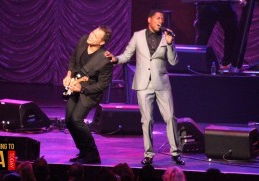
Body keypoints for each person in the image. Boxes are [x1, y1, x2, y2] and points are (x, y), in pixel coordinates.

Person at [106, 10, 185, 165]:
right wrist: (115, 59)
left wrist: (170, 44)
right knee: (147, 120)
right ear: (149, 19)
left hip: (162, 83)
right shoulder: (138, 36)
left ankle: (175, 153)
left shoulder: (166, 37)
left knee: (170, 117)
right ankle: (148, 154)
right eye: (157, 18)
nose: (160, 20)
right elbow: (127, 55)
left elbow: (174, 62)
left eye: (162, 18)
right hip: (143, 84)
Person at [63, 25, 113, 164]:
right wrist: (68, 75)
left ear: (102, 42)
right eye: (92, 33)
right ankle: (83, 151)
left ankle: (93, 154)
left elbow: (102, 85)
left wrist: (82, 89)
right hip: (74, 85)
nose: (91, 36)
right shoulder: (83, 40)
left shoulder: (105, 60)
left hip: (89, 93)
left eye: (95, 36)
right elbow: (73, 61)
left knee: (76, 120)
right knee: (69, 121)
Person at [194, 1, 238, 70]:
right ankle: (198, 64)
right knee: (203, 37)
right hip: (206, 4)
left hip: (225, 3)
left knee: (232, 32)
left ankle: (227, 63)